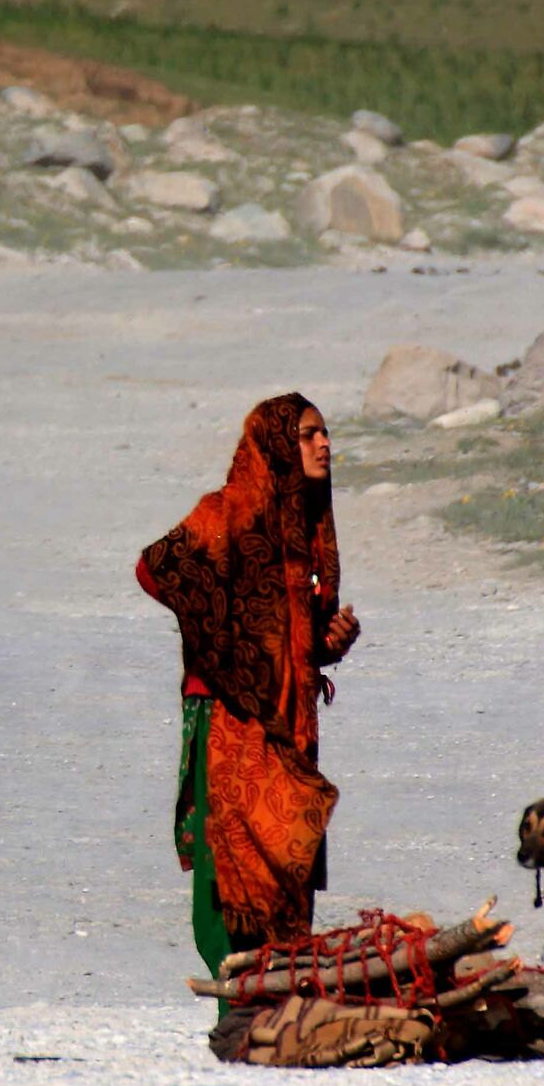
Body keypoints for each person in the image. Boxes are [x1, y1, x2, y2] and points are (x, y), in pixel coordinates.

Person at [136, 394, 362, 972]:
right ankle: (235, 1002)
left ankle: (278, 1002)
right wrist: (222, 640)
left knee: (288, 856)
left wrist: (327, 642)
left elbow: (291, 639)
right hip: (231, 721)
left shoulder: (309, 530)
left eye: (325, 433)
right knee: (232, 866)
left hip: (289, 724)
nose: (324, 444)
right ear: (277, 445)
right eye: (309, 434)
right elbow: (157, 568)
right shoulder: (226, 513)